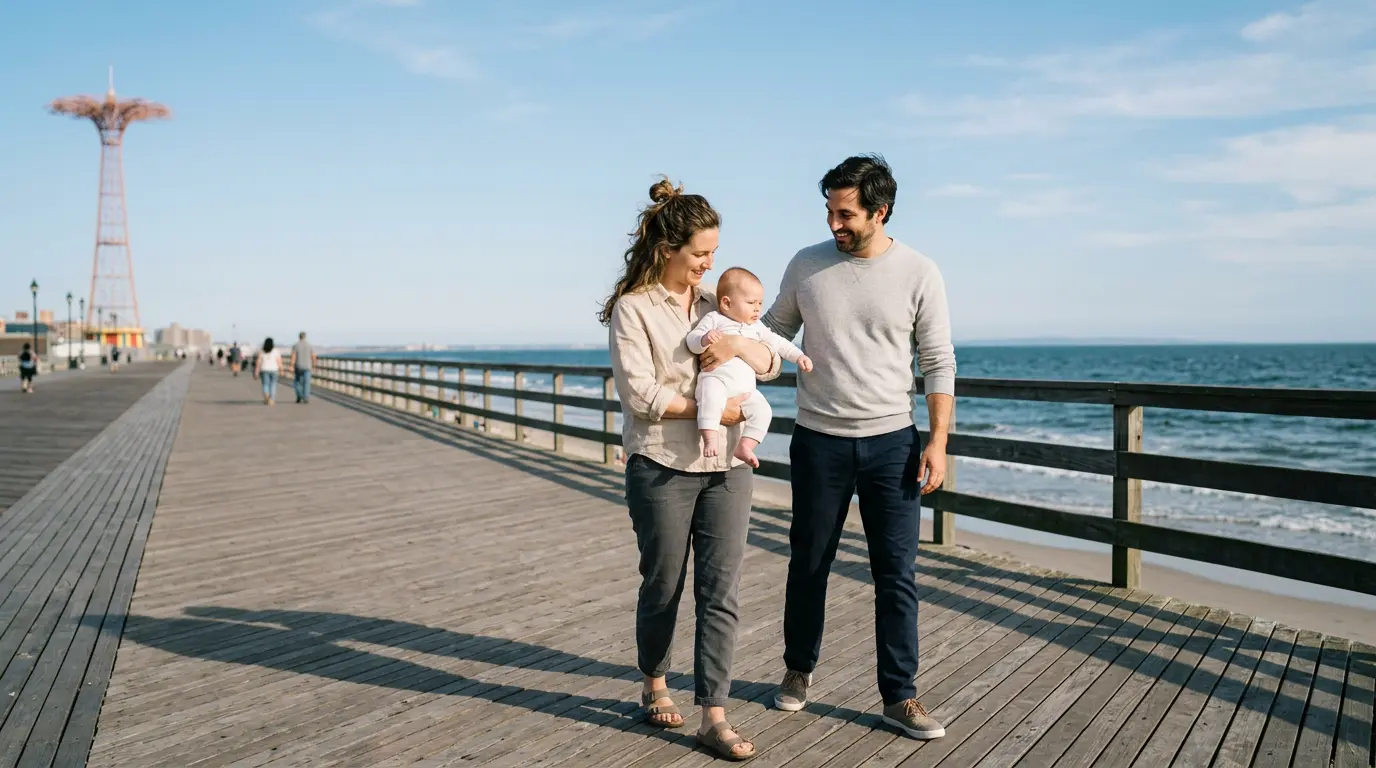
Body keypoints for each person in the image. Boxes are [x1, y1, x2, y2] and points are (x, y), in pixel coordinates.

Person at [763, 154, 956, 741]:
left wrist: (939, 443)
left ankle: (900, 696)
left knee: (896, 573)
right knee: (809, 562)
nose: (834, 223)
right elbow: (773, 333)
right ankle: (799, 671)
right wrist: (729, 348)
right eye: (829, 211)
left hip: (892, 444)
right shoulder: (806, 265)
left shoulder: (920, 271)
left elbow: (938, 362)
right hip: (818, 441)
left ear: (880, 211)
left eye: (845, 214)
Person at [604, 177, 783, 761]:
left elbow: (773, 363)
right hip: (661, 463)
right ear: (667, 249)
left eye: (713, 252)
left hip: (728, 462)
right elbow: (641, 396)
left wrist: (741, 351)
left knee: (721, 588)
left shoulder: (719, 304)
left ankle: (714, 714)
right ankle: (654, 681)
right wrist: (723, 408)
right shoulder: (633, 310)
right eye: (700, 253)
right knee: (664, 584)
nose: (710, 263)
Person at [685, 267, 812, 467]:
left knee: (763, 410)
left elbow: (779, 343)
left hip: (745, 390)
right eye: (751, 303)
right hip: (716, 379)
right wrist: (704, 338)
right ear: (726, 303)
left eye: (760, 303)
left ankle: (745, 445)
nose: (757, 309)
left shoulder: (757, 327)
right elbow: (691, 341)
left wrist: (799, 356)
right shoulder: (715, 319)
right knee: (711, 398)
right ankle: (710, 438)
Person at [254, 337, 282, 405]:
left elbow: (258, 362)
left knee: (265, 385)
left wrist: (256, 371)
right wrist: (281, 370)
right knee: (273, 385)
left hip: (264, 369)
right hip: (274, 370)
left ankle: (266, 397)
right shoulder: (276, 351)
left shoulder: (261, 351)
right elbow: (279, 361)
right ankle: (271, 399)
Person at [290, 331, 316, 403]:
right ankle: (306, 397)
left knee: (298, 382)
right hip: (308, 367)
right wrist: (314, 365)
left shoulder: (296, 345)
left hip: (298, 366)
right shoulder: (309, 345)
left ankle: (299, 395)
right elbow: (313, 356)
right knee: (306, 383)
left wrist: (291, 365)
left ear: (299, 337)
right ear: (305, 337)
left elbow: (293, 356)